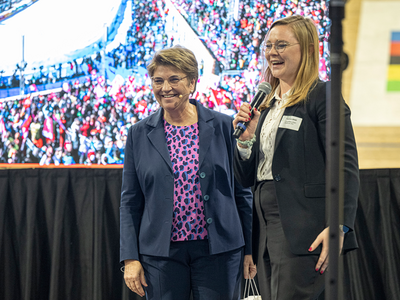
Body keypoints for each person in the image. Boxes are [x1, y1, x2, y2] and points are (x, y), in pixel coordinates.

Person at [233, 15, 359, 300]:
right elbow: (245, 178)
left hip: (303, 230)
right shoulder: (265, 104)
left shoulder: (321, 95)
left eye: (281, 45)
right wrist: (245, 141)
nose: (272, 52)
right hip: (264, 228)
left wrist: (339, 225)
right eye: (268, 46)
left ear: (307, 50)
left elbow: (345, 166)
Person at [120, 45, 257, 300]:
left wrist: (250, 248)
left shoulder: (225, 126)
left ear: (192, 82)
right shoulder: (137, 133)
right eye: (158, 81)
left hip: (220, 252)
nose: (165, 88)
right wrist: (130, 258)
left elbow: (242, 194)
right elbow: (130, 202)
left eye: (174, 79)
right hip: (161, 256)